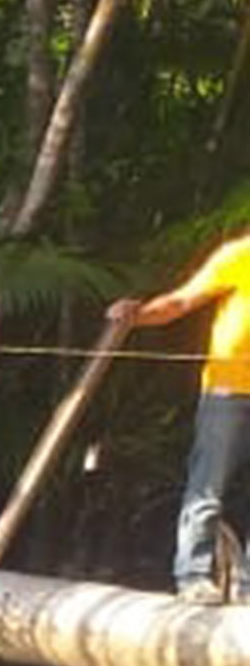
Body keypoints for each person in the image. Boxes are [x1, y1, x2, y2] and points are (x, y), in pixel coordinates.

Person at [111, 229, 250, 601]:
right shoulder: (241, 254)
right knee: (208, 484)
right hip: (228, 389)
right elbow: (182, 301)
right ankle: (193, 575)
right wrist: (137, 316)